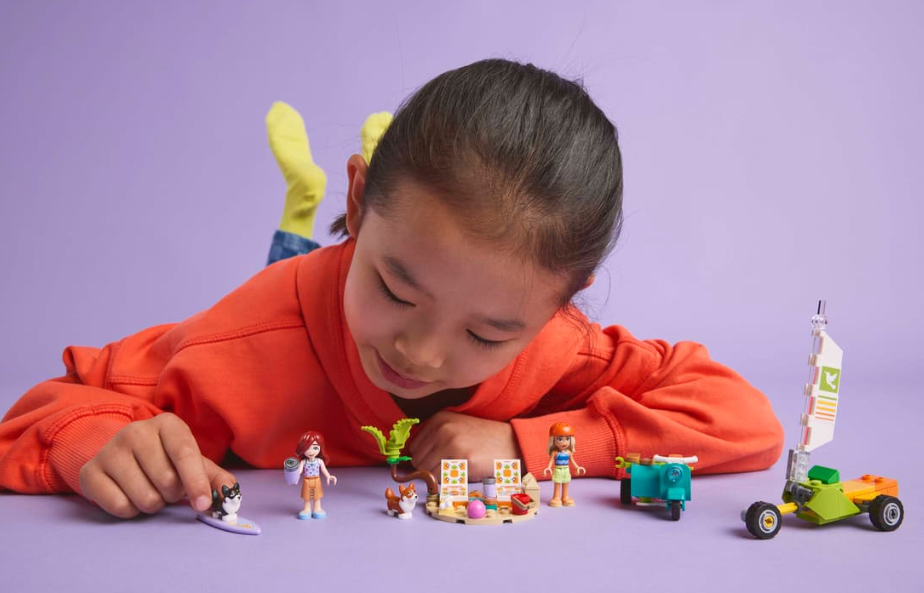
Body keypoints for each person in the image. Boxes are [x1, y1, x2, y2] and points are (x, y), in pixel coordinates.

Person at [0, 59, 784, 519]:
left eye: (486, 334)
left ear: (561, 302)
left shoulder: (560, 346)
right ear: (357, 199)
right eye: (397, 289)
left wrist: (529, 444)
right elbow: (44, 409)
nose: (421, 352)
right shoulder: (243, 342)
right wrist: (93, 440)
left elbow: (742, 418)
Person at [291, 431, 337, 520]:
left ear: (320, 448)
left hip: (317, 480)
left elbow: (324, 469)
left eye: (315, 447)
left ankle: (317, 509)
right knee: (307, 497)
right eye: (307, 448)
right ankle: (307, 509)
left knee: (317, 496)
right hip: (307, 481)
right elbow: (299, 471)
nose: (311, 451)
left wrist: (328, 476)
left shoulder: (319, 461)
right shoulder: (303, 462)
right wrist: (294, 475)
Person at [543, 422, 585, 507]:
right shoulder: (555, 452)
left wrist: (577, 467)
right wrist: (548, 468)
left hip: (566, 470)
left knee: (566, 483)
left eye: (567, 439)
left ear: (571, 440)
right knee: (557, 484)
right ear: (553, 440)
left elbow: (572, 461)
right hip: (558, 470)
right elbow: (550, 461)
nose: (564, 442)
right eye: (560, 439)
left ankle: (565, 497)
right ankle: (556, 497)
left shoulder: (568, 452)